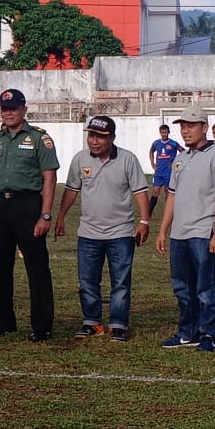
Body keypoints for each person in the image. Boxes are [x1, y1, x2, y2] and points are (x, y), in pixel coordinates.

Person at [54, 116, 150, 343]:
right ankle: (92, 323)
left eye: (100, 137)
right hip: (88, 234)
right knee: (87, 281)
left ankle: (118, 325)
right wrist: (61, 215)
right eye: (91, 136)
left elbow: (140, 191)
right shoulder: (80, 159)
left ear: (112, 138)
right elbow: (71, 189)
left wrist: (144, 221)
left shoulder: (128, 159)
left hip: (121, 233)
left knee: (121, 282)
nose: (94, 141)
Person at [0, 89, 59, 342]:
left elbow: (49, 178)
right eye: (4, 108)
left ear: (24, 109)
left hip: (28, 205)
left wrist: (45, 215)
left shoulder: (39, 138)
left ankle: (42, 325)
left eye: (13, 108)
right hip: (2, 206)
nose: (8, 112)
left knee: (36, 267)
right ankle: (4, 322)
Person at [155, 104, 215, 352]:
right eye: (183, 127)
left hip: (203, 232)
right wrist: (163, 230)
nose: (186, 132)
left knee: (206, 287)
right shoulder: (180, 159)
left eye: (191, 126)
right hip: (180, 234)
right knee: (182, 287)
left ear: (204, 127)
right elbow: (171, 197)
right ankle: (187, 332)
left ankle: (211, 334)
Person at [148, 124, 183, 217]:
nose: (164, 134)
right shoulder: (156, 143)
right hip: (158, 172)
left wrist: (176, 164)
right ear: (160, 133)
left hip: (169, 172)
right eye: (162, 132)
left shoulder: (173, 143)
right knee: (155, 192)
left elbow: (183, 152)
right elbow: (151, 151)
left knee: (168, 192)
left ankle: (168, 214)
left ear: (169, 132)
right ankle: (148, 214)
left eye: (166, 132)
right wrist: (152, 164)